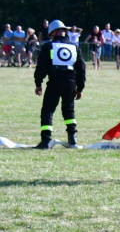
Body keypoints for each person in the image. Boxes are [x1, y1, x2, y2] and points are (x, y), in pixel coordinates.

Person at [33, 19, 86, 149]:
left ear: (53, 33)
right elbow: (81, 68)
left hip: (55, 81)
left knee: (48, 110)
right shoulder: (74, 47)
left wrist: (38, 83)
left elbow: (41, 67)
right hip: (70, 82)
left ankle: (45, 140)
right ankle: (72, 139)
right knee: (69, 110)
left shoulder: (48, 47)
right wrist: (80, 88)